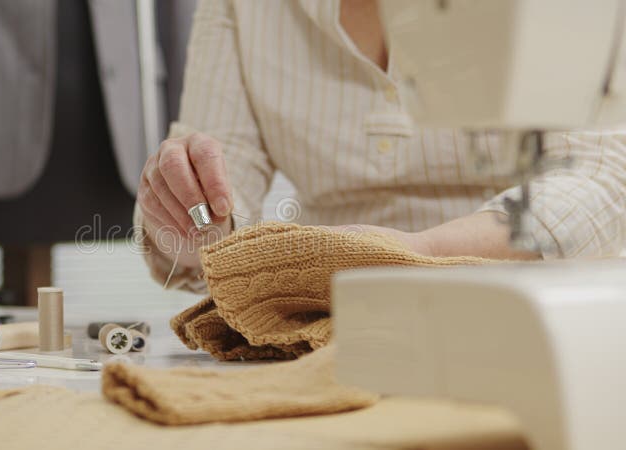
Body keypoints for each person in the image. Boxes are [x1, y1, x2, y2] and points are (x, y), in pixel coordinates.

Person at [134, 0, 626, 292]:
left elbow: (606, 178)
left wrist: (421, 252)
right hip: (334, 324)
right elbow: (220, 191)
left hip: (544, 302)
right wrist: (196, 223)